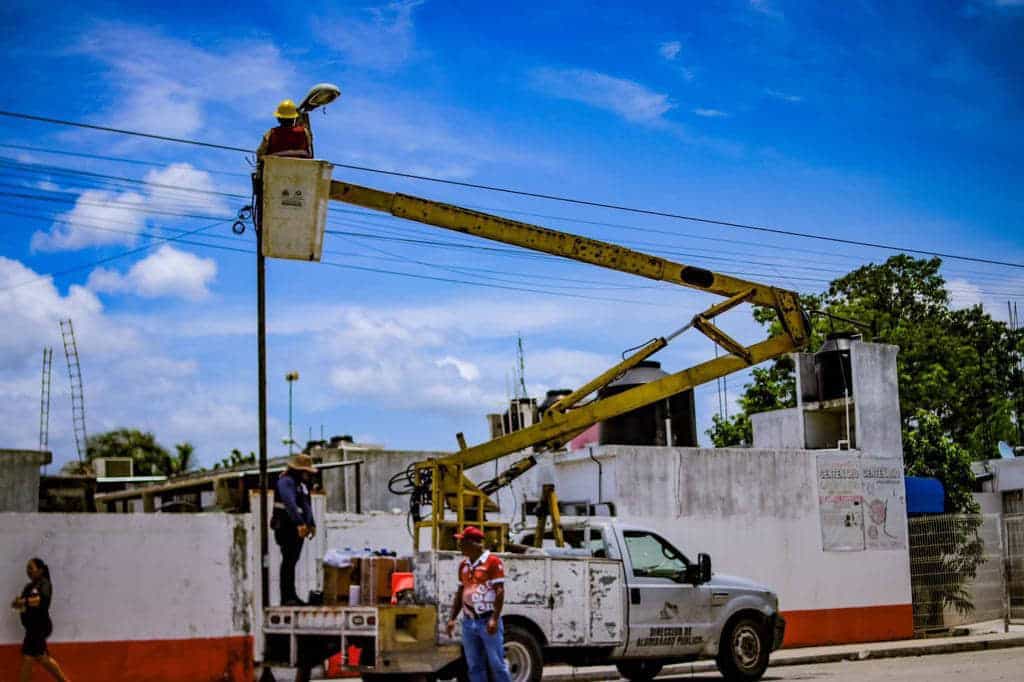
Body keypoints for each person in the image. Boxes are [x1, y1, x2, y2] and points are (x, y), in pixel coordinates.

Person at [445, 527, 512, 682]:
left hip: (487, 621)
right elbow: (460, 592)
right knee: (474, 665)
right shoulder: (463, 565)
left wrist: (494, 618)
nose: (459, 545)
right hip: (469, 623)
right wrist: (452, 618)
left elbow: (500, 591)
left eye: (462, 541)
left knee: (497, 664)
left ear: (473, 543)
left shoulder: (493, 562)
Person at [11, 557, 68, 682]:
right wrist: (17, 604)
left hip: (40, 627)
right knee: (41, 657)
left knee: (28, 658)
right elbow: (22, 606)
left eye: (31, 568)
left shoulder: (44, 583)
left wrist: (24, 601)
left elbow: (40, 600)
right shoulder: (28, 587)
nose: (28, 571)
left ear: (40, 570)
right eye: (27, 568)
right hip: (31, 628)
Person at [272, 453, 317, 606]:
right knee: (288, 561)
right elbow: (289, 503)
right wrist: (299, 523)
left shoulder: (301, 485)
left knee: (292, 561)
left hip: (297, 527)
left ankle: (292, 595)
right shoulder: (286, 482)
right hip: (286, 526)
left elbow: (306, 505)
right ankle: (287, 597)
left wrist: (311, 523)